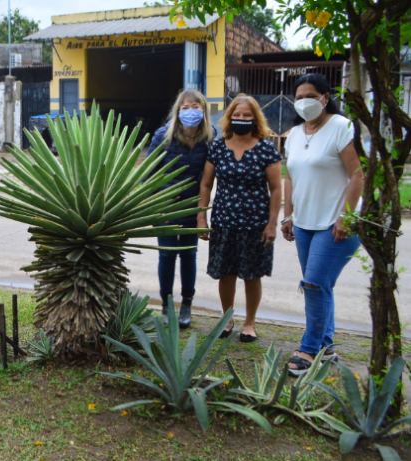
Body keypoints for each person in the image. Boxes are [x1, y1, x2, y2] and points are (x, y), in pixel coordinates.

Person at [281, 73, 363, 376]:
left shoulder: (341, 127)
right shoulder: (294, 134)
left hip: (335, 223)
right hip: (304, 224)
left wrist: (348, 216)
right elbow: (290, 177)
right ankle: (327, 347)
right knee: (320, 286)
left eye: (311, 96)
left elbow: (358, 174)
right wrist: (288, 215)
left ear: (326, 98)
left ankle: (309, 348)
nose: (304, 101)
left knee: (314, 283)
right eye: (299, 96)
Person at [196, 94, 282, 343]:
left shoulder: (266, 148)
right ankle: (227, 319)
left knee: (252, 275)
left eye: (247, 115)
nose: (241, 118)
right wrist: (202, 219)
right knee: (226, 273)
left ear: (255, 119)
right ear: (229, 117)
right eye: (237, 114)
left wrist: (272, 223)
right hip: (224, 221)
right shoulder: (219, 146)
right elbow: (206, 184)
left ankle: (250, 323)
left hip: (256, 224)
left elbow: (276, 189)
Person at [147, 89, 215, 329]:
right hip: (165, 207)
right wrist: (152, 208)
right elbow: (149, 173)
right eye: (185, 107)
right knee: (166, 255)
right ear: (177, 111)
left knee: (188, 255)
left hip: (192, 207)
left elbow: (209, 178)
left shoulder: (210, 138)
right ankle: (166, 306)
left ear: (203, 111)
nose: (190, 112)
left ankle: (187, 305)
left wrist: (202, 215)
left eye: (195, 107)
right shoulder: (162, 136)